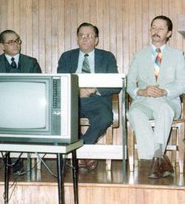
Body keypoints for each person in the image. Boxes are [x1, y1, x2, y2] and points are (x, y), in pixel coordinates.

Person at [127, 15, 185, 179]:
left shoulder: (178, 55)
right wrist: (142, 91)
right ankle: (159, 158)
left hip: (168, 101)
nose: (156, 31)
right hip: (144, 101)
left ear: (169, 33)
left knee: (165, 110)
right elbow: (129, 84)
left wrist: (165, 91)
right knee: (134, 113)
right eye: (153, 27)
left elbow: (182, 83)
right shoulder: (139, 55)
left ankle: (154, 159)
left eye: (161, 28)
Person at [57, 22, 120, 172]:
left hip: (97, 99)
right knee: (61, 117)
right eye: (81, 35)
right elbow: (59, 82)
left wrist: (94, 89)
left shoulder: (107, 57)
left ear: (96, 40)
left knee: (105, 117)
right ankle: (86, 153)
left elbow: (116, 84)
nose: (85, 39)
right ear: (77, 39)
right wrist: (76, 91)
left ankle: (79, 151)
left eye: (89, 36)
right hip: (73, 100)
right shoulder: (67, 57)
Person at [0, 29, 42, 174]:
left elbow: (39, 88)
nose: (15, 44)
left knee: (22, 117)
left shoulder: (31, 62)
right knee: (3, 118)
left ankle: (15, 159)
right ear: (2, 46)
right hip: (3, 107)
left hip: (26, 106)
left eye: (17, 40)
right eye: (10, 42)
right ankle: (10, 158)